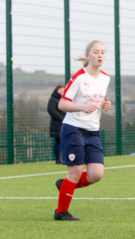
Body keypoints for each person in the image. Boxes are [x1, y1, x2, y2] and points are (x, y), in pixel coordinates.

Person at [54, 41, 112, 220]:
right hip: (73, 129)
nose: (100, 55)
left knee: (96, 174)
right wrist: (81, 107)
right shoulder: (79, 77)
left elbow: (98, 98)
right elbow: (62, 104)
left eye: (103, 52)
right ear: (88, 56)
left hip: (93, 131)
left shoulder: (105, 77)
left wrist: (105, 104)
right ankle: (61, 212)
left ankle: (65, 185)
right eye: (96, 52)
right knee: (76, 171)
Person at [47, 84, 66, 164]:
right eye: (60, 90)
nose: (61, 91)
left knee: (65, 141)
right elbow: (51, 110)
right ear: (57, 90)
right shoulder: (53, 99)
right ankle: (58, 159)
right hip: (57, 124)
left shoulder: (65, 100)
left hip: (65, 123)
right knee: (58, 141)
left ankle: (65, 158)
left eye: (63, 90)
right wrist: (62, 118)